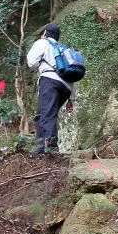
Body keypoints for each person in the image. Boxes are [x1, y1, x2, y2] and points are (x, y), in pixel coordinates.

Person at [26, 23, 74, 154]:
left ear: (45, 33)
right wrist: (71, 98)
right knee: (45, 113)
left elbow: (31, 62)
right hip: (67, 87)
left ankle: (51, 146)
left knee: (46, 113)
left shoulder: (42, 43)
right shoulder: (62, 49)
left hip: (50, 81)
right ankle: (41, 145)